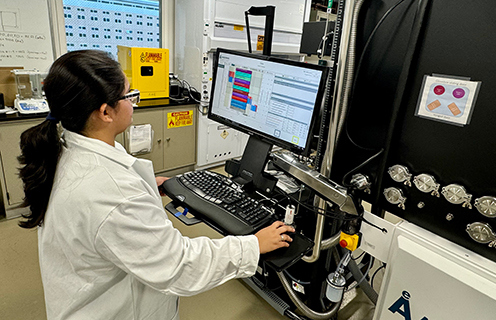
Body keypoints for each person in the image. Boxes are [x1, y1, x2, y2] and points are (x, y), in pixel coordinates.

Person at [18, 50, 295, 320]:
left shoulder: (65, 145)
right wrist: (252, 246)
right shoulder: (113, 193)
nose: (133, 102)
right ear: (105, 112)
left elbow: (103, 203)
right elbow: (179, 266)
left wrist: (145, 185)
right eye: (129, 95)